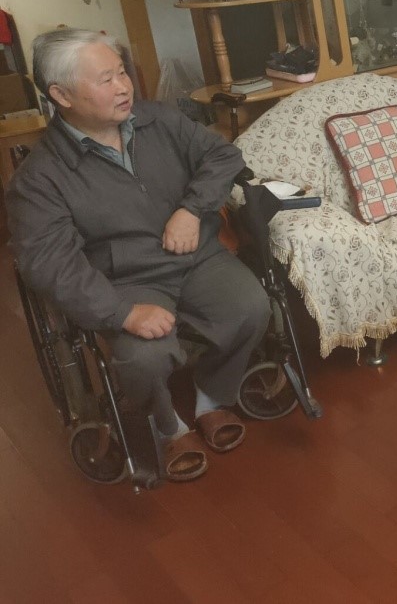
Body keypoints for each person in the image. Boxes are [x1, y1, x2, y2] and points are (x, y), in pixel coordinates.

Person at [6, 29, 270, 482]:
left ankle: (211, 398)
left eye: (122, 72)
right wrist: (122, 313)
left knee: (250, 307)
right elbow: (51, 265)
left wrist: (192, 209)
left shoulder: (157, 120)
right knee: (143, 359)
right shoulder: (39, 179)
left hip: (195, 256)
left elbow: (223, 156)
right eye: (105, 79)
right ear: (61, 95)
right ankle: (169, 426)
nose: (123, 86)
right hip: (125, 281)